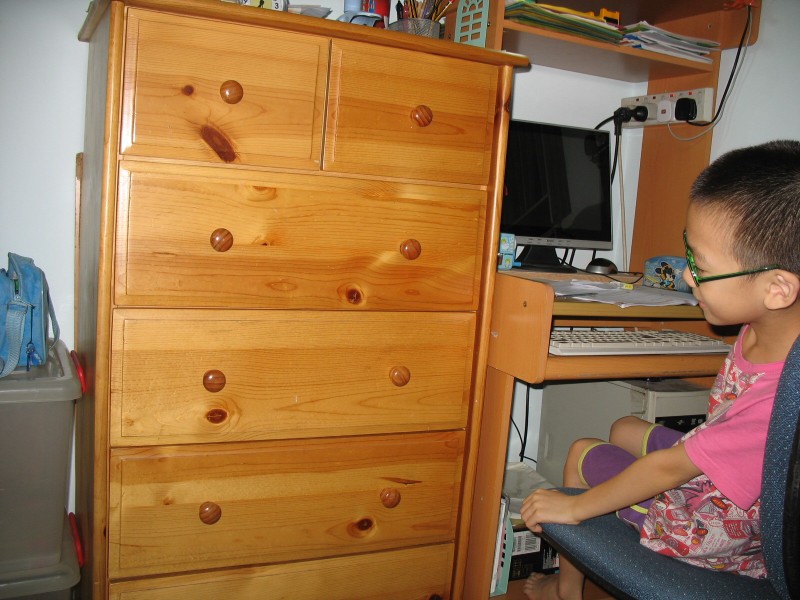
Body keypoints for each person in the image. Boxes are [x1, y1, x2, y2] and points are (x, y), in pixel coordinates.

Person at [520, 140, 800, 600]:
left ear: (777, 288)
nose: (688, 277)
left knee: (582, 451)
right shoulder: (766, 325)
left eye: (700, 266)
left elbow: (670, 468)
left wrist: (575, 509)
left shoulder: (780, 398)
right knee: (624, 427)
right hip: (730, 477)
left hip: (714, 531)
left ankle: (565, 590)